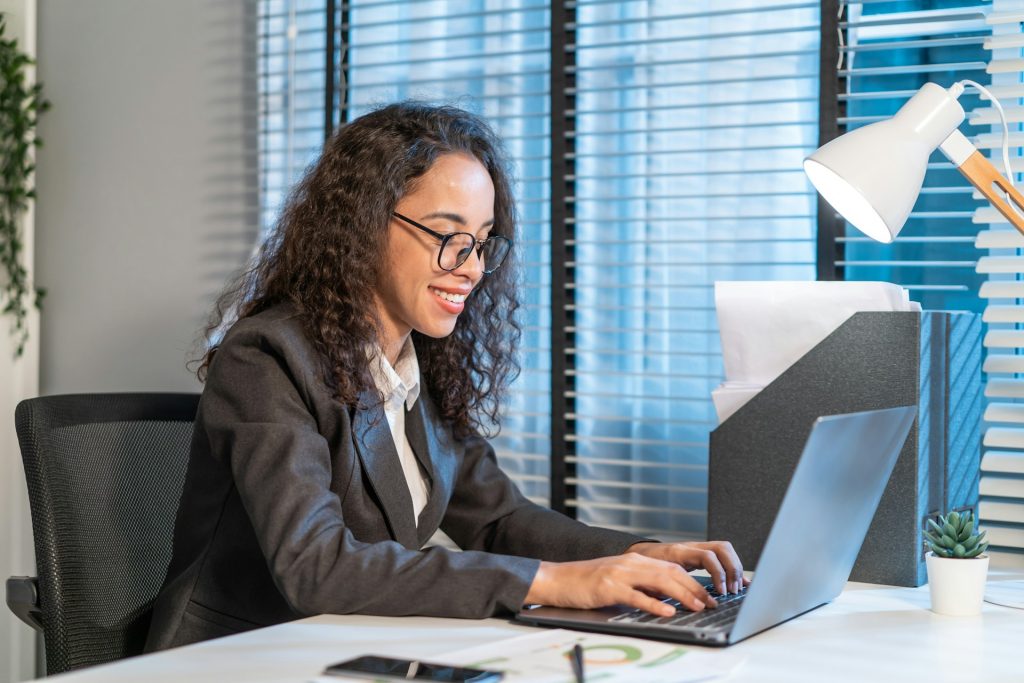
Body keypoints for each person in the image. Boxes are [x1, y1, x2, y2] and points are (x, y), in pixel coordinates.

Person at [145, 102, 747, 651]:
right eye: (448, 235)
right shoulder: (266, 359)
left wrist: (635, 553)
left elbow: (497, 520)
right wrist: (557, 582)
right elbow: (315, 564)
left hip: (352, 650)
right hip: (240, 658)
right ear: (362, 224)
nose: (471, 267)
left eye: (482, 242)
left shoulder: (420, 367)